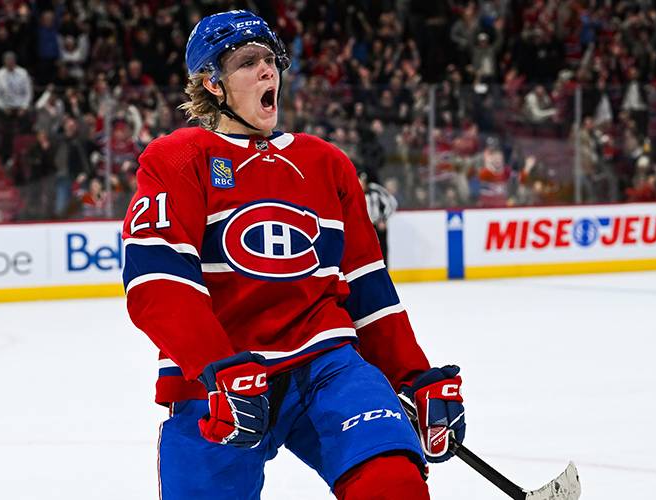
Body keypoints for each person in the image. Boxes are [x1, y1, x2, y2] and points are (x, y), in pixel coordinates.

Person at [122, 11, 466, 500]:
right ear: (212, 85)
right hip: (218, 378)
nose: (268, 70)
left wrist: (412, 375)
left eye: (270, 59)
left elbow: (368, 288)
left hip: (327, 366)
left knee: (393, 483)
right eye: (247, 62)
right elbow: (157, 283)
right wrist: (216, 365)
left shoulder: (326, 163)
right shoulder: (179, 158)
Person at [359, 171, 398, 262]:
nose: (361, 184)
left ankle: (383, 269)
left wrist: (383, 219)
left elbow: (392, 203)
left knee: (381, 250)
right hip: (363, 227)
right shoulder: (355, 192)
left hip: (377, 225)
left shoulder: (375, 190)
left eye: (362, 181)